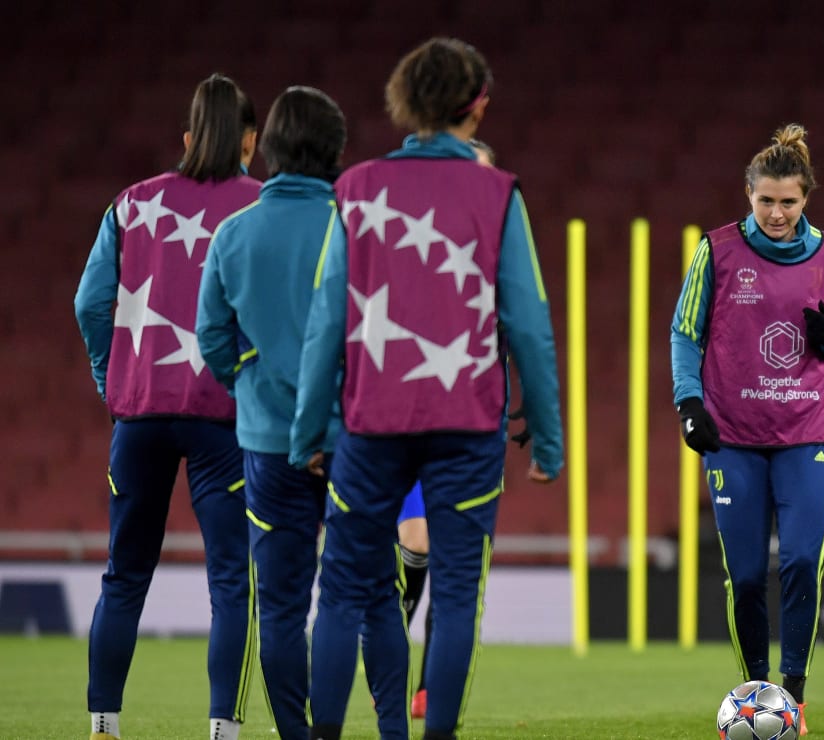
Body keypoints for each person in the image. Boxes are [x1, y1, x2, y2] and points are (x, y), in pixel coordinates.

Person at [290, 36, 563, 740]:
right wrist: (549, 441)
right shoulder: (498, 192)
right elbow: (529, 325)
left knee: (344, 593)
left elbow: (327, 323)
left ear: (402, 102)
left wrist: (309, 433)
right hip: (467, 424)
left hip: (369, 421)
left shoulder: (353, 188)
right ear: (479, 107)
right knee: (455, 596)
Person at [73, 73, 260, 740]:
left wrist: (112, 377)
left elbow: (88, 304)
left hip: (141, 415)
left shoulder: (131, 204)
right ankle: (222, 729)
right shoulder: (260, 206)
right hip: (225, 421)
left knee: (124, 573)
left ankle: (103, 723)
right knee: (232, 581)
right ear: (250, 140)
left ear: (186, 138)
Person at [670, 123, 824, 736]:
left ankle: (791, 697)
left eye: (789, 202)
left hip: (806, 434)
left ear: (807, 200)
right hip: (733, 439)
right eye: (766, 200)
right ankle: (756, 686)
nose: (777, 213)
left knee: (801, 562)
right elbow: (684, 332)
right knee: (745, 575)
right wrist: (689, 402)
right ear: (748, 194)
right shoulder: (715, 251)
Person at [194, 85, 349, 740]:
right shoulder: (356, 226)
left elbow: (210, 338)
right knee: (354, 601)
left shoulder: (233, 234)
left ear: (271, 149)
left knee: (281, 608)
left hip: (265, 444)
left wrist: (250, 383)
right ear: (335, 150)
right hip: (351, 440)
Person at [399, 134, 500, 723]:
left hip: (470, 424)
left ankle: (431, 688)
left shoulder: (499, 248)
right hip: (407, 420)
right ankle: (392, 641)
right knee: (417, 541)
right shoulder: (412, 241)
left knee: (454, 557)